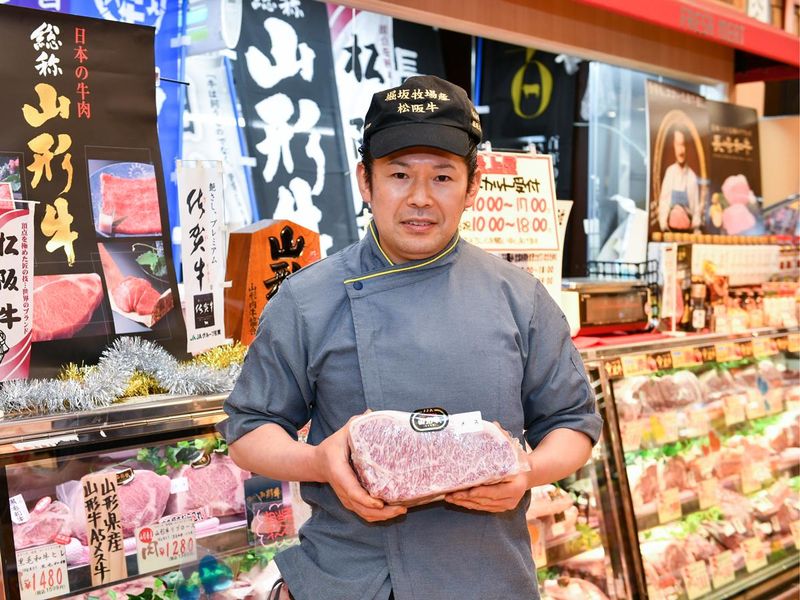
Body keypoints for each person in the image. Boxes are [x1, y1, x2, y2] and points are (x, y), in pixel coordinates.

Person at [220, 75, 603, 600]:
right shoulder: (307, 298)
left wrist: (528, 471)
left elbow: (572, 424)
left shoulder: (519, 297)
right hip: (352, 580)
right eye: (399, 174)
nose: (420, 198)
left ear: (472, 186)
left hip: (487, 578)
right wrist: (318, 461)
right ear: (365, 181)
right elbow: (248, 431)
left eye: (442, 177)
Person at [657, 127, 701, 232]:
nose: (681, 150)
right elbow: (663, 201)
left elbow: (696, 208)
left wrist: (695, 227)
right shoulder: (670, 172)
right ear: (674, 145)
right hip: (670, 231)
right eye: (678, 145)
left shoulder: (692, 176)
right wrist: (663, 224)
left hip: (687, 231)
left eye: (683, 145)